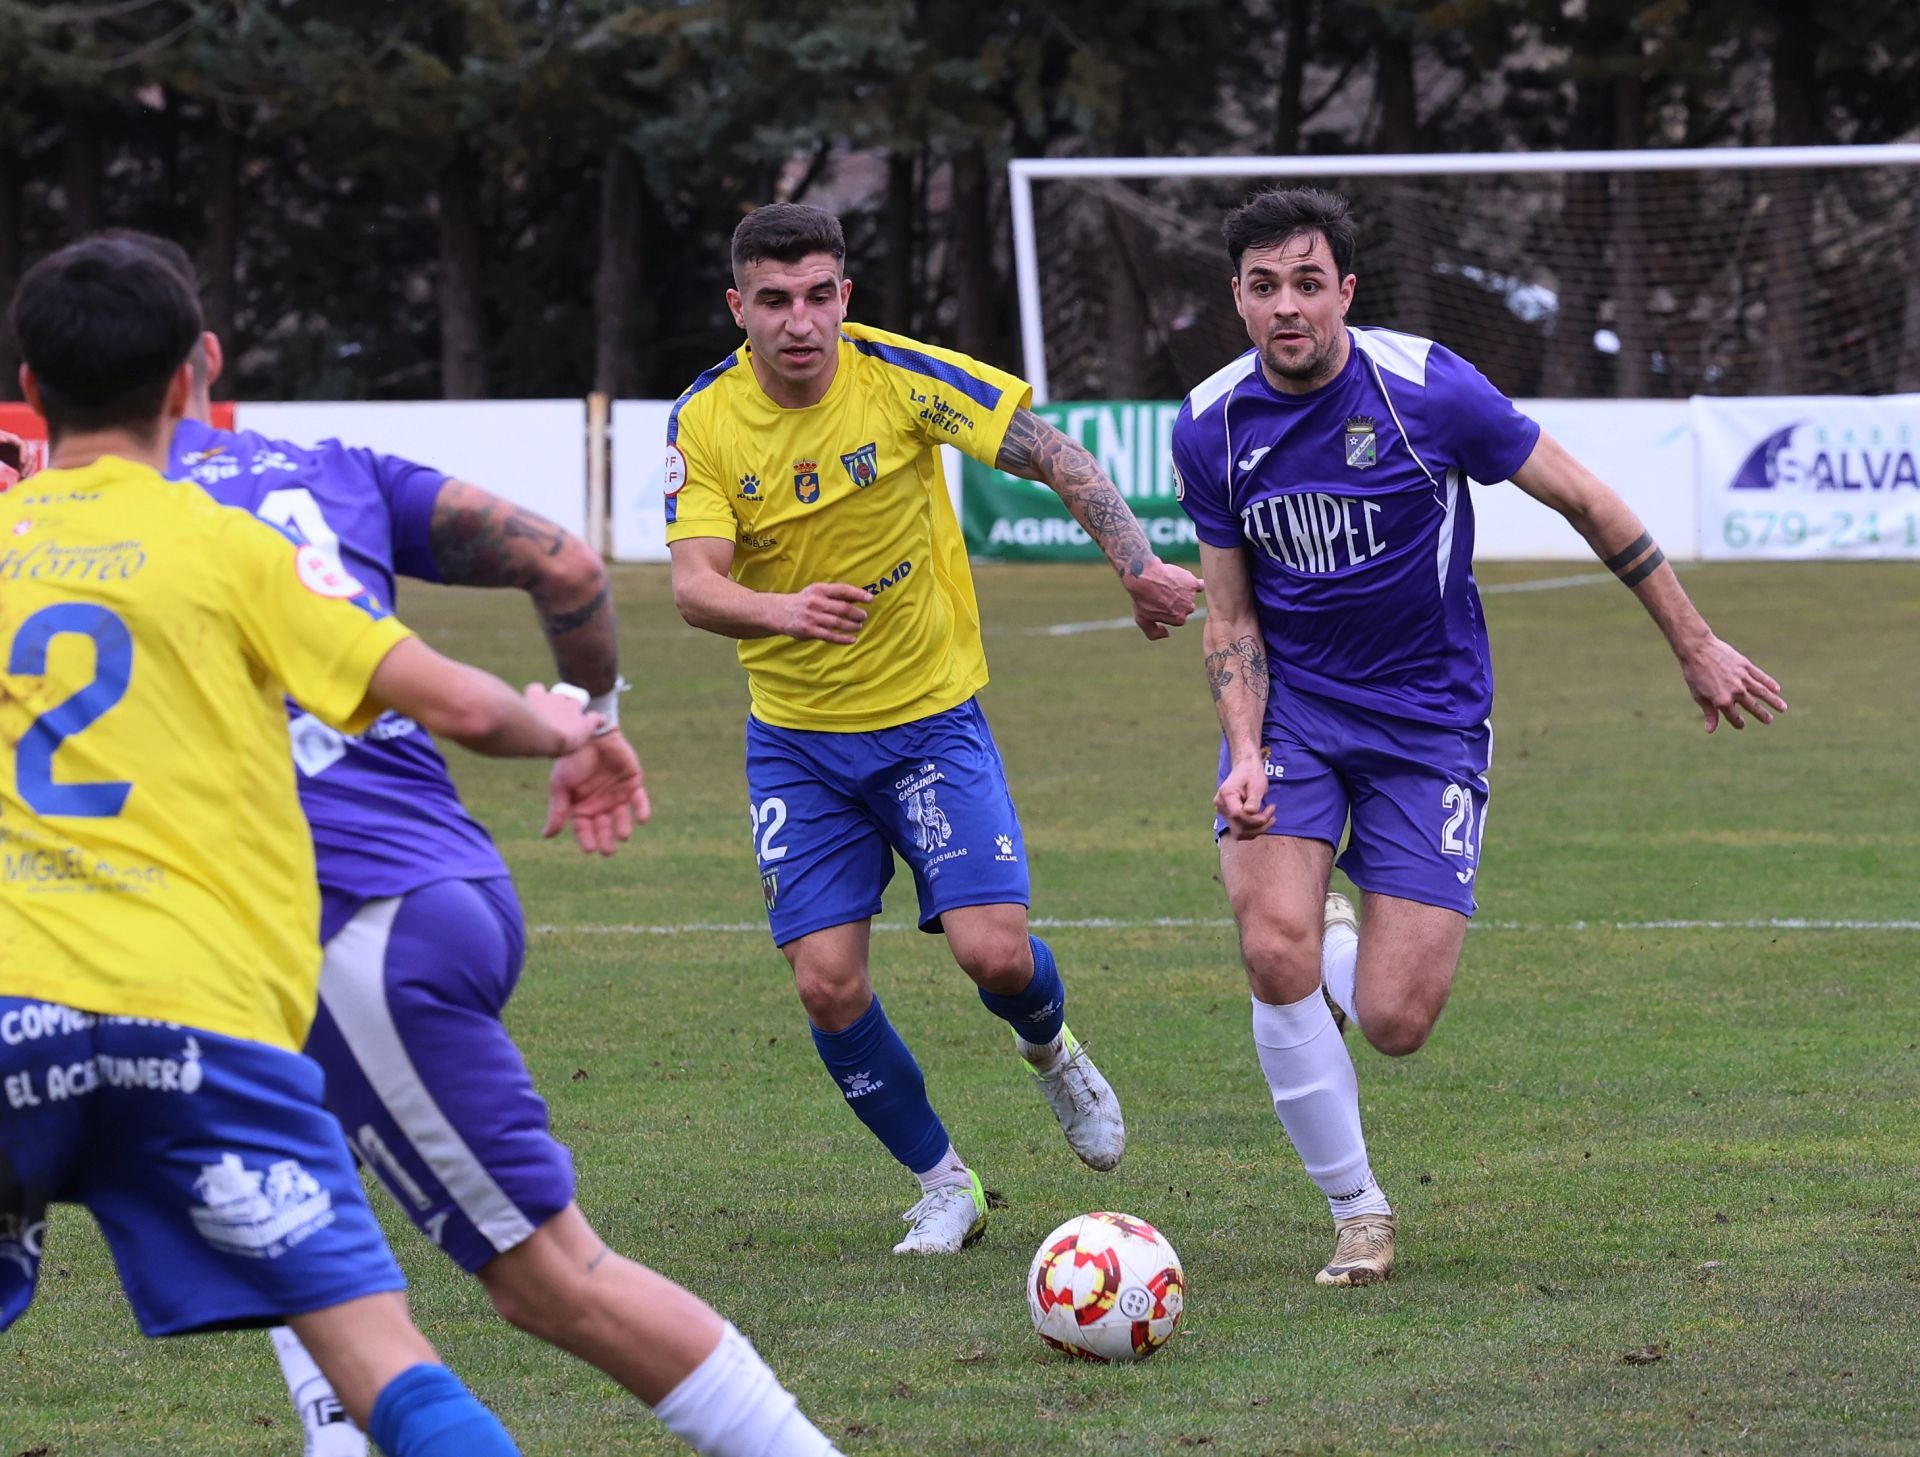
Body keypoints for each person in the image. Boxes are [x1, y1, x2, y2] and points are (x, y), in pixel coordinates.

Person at [107, 231, 842, 1457]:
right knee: (298, 1191)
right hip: (379, 899)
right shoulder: (323, 467)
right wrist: (591, 722)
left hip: (353, 918)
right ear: (204, 365)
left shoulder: (70, 537)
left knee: (552, 1280)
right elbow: (558, 557)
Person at [0, 235, 598, 1456]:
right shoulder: (234, 548)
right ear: (191, 382)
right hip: (198, 1024)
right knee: (385, 1362)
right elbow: (470, 709)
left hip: (13, 1014)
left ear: (29, 383)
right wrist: (570, 723)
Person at [1171, 188, 1786, 1287]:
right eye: (1264, 287)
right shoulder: (1209, 422)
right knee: (1272, 946)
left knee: (1396, 1020)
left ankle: (1340, 942)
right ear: (1238, 297)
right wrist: (1247, 748)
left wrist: (1693, 643)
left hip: (1429, 720)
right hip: (1298, 711)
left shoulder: (1428, 389)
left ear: (1346, 292)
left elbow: (1589, 502)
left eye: (1309, 283)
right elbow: (1229, 616)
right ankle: (1357, 1209)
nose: (1287, 307)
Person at [666, 203, 1202, 1254]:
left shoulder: (900, 375)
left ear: (844, 297)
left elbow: (1052, 452)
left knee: (994, 955)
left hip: (927, 722)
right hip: (798, 743)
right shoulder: (706, 418)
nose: (800, 321)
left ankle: (1054, 1054)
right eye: (773, 300)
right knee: (826, 981)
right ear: (740, 308)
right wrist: (785, 609)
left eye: (819, 294)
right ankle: (943, 1184)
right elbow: (692, 585)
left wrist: (1136, 566)